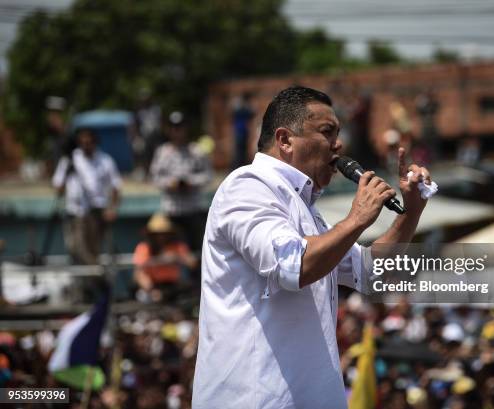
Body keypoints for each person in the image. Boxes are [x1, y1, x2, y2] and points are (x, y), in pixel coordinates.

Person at [192, 86, 431, 409]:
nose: (339, 144)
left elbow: (371, 272)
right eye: (326, 132)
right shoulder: (247, 186)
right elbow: (294, 266)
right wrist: (357, 218)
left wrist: (412, 209)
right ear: (285, 140)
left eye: (338, 133)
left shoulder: (305, 209)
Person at [52, 128, 121, 264]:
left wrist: (112, 208)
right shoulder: (70, 160)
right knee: (75, 248)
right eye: (82, 142)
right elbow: (58, 185)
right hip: (74, 211)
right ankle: (94, 275)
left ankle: (93, 278)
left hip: (95, 213)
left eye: (89, 142)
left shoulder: (105, 160)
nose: (86, 145)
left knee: (93, 249)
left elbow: (116, 186)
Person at [150, 111, 212, 252]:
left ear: (186, 128)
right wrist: (170, 184)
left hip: (192, 210)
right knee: (170, 251)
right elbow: (155, 178)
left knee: (196, 251)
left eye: (180, 127)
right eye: (173, 127)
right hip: (171, 211)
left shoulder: (196, 151)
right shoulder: (162, 152)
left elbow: (207, 176)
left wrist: (191, 182)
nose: (176, 131)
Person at [133, 213, 197, 302]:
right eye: (157, 234)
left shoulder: (177, 247)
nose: (161, 237)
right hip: (152, 287)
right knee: (143, 296)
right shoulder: (144, 248)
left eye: (164, 233)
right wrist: (151, 289)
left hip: (173, 286)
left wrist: (176, 258)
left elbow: (192, 263)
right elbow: (138, 272)